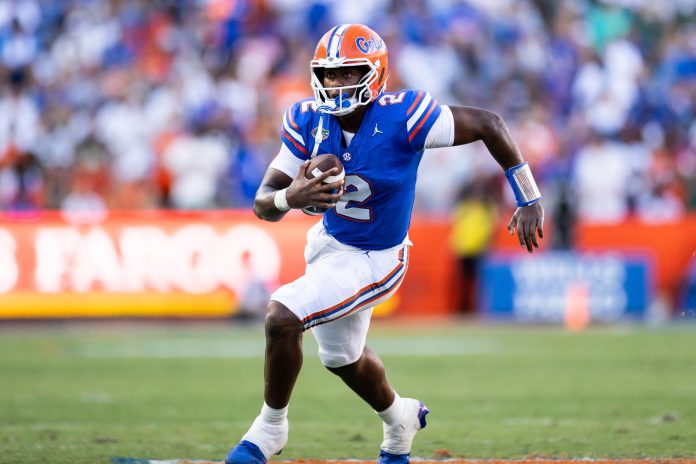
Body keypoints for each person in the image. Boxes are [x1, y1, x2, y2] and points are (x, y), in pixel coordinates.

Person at [225, 24, 544, 464]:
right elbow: (264, 204)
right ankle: (401, 418)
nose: (336, 84)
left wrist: (528, 195)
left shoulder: (404, 115)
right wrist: (288, 197)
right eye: (329, 74)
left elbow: (491, 123)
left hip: (376, 257)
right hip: (327, 246)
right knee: (341, 358)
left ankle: (269, 428)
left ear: (373, 73)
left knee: (282, 316)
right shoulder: (306, 119)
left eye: (347, 72)